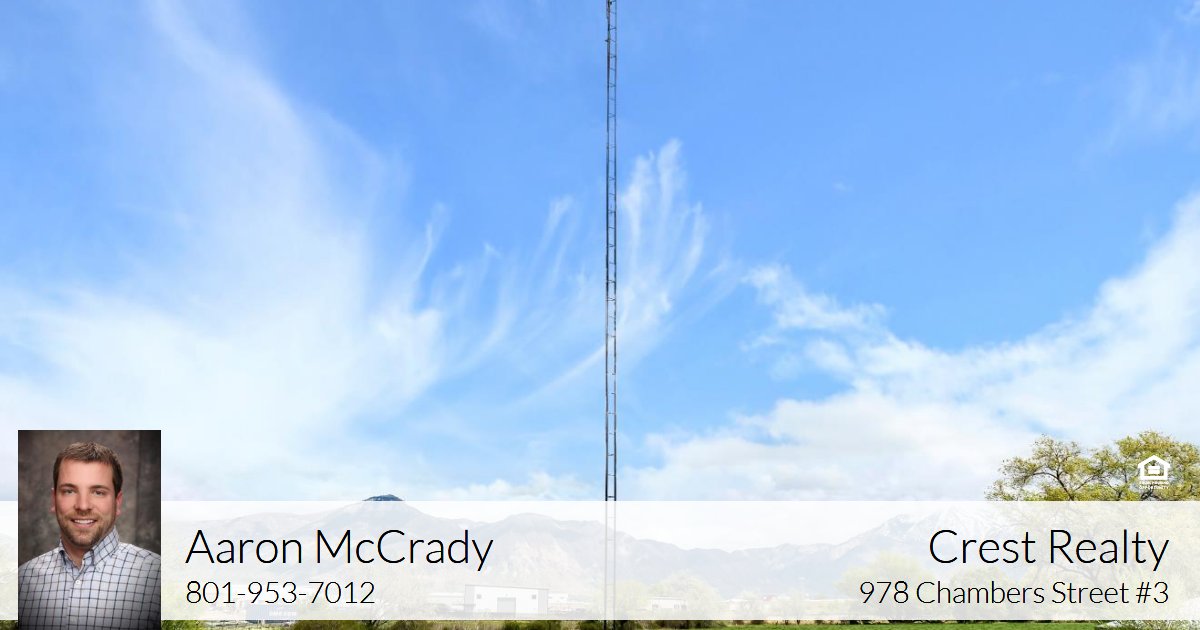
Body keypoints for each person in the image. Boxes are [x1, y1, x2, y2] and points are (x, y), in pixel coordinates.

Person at [18, 442, 160, 629]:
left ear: (117, 502)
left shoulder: (158, 578)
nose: (83, 506)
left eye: (98, 492)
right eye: (69, 491)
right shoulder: (21, 582)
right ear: (54, 500)